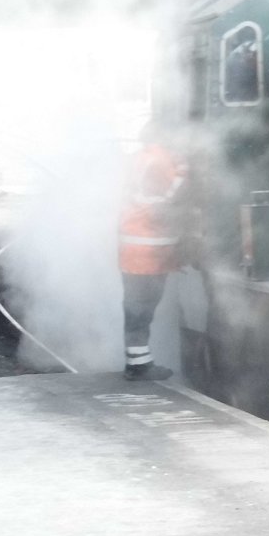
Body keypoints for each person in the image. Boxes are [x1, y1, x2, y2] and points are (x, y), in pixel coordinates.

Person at [119, 120, 187, 381]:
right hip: (151, 251)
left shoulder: (135, 159)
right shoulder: (165, 161)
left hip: (131, 249)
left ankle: (137, 362)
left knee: (136, 309)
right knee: (142, 309)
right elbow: (178, 195)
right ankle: (138, 367)